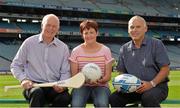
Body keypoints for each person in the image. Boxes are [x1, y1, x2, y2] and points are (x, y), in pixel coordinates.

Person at [10, 14, 71, 107]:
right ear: (42, 25)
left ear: (58, 29)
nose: (51, 28)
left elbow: (66, 71)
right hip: (34, 86)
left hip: (55, 86)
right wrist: (23, 79)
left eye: (54, 26)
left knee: (65, 98)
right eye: (48, 25)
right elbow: (15, 65)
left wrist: (62, 84)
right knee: (37, 93)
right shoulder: (29, 43)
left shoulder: (63, 48)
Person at [109, 15, 170, 107]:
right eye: (132, 27)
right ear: (128, 30)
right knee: (114, 98)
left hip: (156, 86)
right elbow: (122, 72)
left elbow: (165, 69)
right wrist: (121, 84)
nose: (134, 30)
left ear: (145, 29)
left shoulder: (156, 44)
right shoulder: (124, 49)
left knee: (148, 97)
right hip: (133, 88)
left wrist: (151, 84)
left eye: (138, 27)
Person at [69, 19, 114, 107]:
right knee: (76, 105)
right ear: (82, 35)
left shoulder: (106, 50)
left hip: (101, 86)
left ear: (97, 33)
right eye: (86, 33)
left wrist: (100, 81)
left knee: (102, 104)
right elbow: (74, 75)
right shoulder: (76, 51)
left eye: (91, 32)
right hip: (81, 86)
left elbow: (108, 76)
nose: (89, 35)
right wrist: (84, 80)